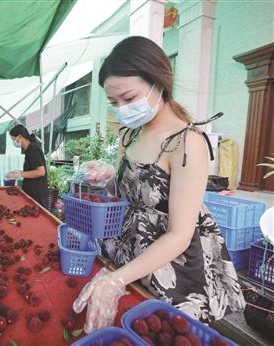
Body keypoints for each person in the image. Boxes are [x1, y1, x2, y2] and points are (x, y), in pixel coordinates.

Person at [73, 36, 245, 333]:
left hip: (171, 268)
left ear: (158, 83)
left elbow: (179, 235)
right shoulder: (131, 136)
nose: (122, 109)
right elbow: (130, 197)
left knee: (160, 331)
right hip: (129, 254)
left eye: (129, 98)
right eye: (114, 103)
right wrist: (108, 178)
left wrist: (117, 279)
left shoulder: (186, 142)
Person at [6, 124, 47, 206]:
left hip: (37, 195)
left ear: (20, 136)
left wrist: (20, 174)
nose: (14, 142)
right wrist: (19, 172)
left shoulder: (33, 149)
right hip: (32, 193)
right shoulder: (29, 149)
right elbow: (32, 170)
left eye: (13, 139)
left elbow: (41, 172)